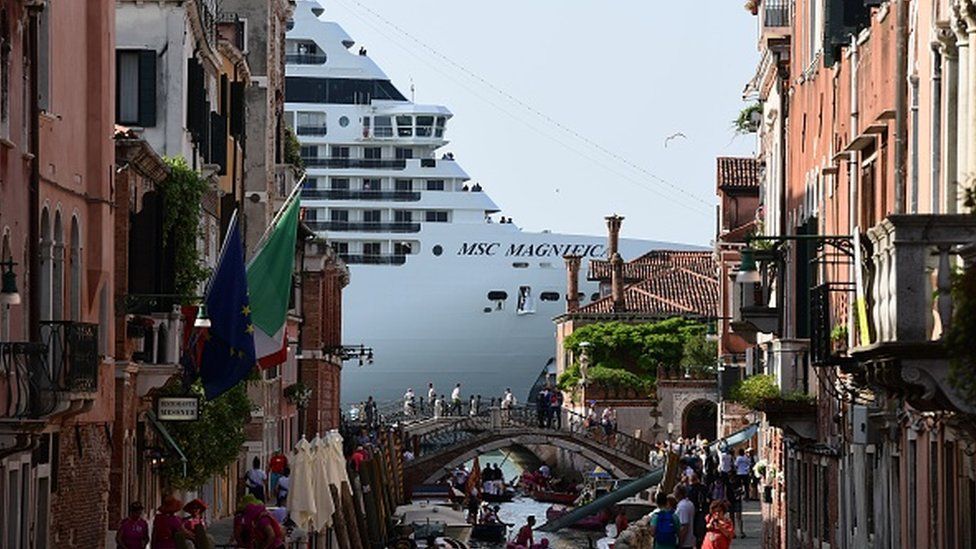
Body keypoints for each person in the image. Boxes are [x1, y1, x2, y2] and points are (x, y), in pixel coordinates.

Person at [686, 473, 711, 549]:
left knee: (695, 533)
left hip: (694, 513)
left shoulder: (689, 489)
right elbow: (709, 499)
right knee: (702, 533)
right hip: (704, 513)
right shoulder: (704, 488)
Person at [674, 485, 696, 549]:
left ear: (680, 494)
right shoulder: (690, 503)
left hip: (684, 543)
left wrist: (680, 543)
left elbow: (684, 526)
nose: (674, 494)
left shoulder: (682, 507)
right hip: (689, 541)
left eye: (675, 492)